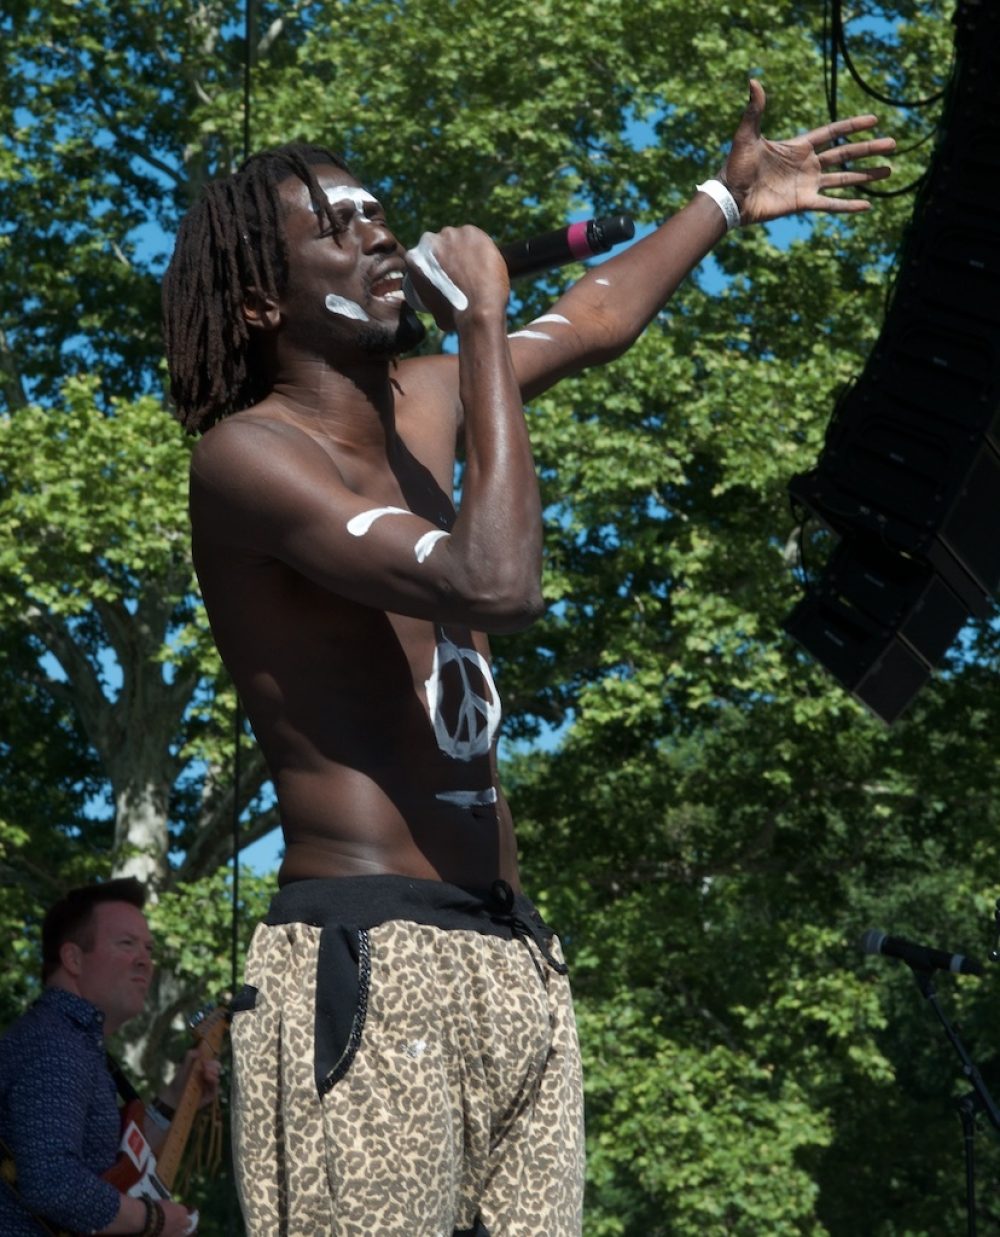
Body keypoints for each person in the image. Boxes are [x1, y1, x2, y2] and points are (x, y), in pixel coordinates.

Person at [160, 80, 894, 1236]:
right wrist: (484, 326)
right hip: (366, 946)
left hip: (512, 954)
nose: (379, 233)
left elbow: (594, 318)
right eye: (338, 227)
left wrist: (723, 200)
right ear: (258, 300)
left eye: (380, 214)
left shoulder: (431, 395)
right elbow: (494, 583)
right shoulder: (248, 459)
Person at [0, 878, 217, 1236]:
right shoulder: (55, 1045)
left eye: (148, 948)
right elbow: (54, 1184)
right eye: (127, 944)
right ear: (73, 958)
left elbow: (120, 1165)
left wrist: (176, 1096)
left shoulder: (75, 1042)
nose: (145, 961)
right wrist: (155, 1219)